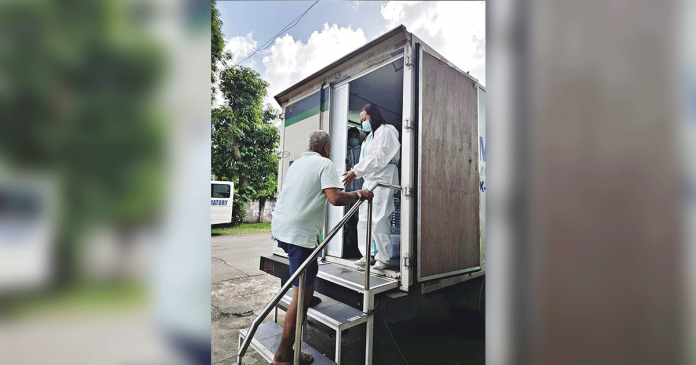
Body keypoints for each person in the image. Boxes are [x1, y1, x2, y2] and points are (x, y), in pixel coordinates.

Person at [271, 130, 374, 365]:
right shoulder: (325, 164)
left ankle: (307, 293)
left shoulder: (297, 164)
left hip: (282, 230)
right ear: (327, 148)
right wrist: (360, 193)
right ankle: (283, 355)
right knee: (300, 298)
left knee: (305, 286)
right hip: (300, 236)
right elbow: (335, 198)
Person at [342, 104, 401, 271]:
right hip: (369, 181)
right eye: (361, 121)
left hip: (383, 179)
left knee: (380, 219)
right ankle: (366, 255)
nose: (363, 124)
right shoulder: (368, 138)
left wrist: (356, 171)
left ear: (373, 116)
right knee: (364, 219)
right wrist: (355, 171)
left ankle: (382, 258)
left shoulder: (386, 131)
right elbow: (365, 161)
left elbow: (380, 157)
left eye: (364, 119)